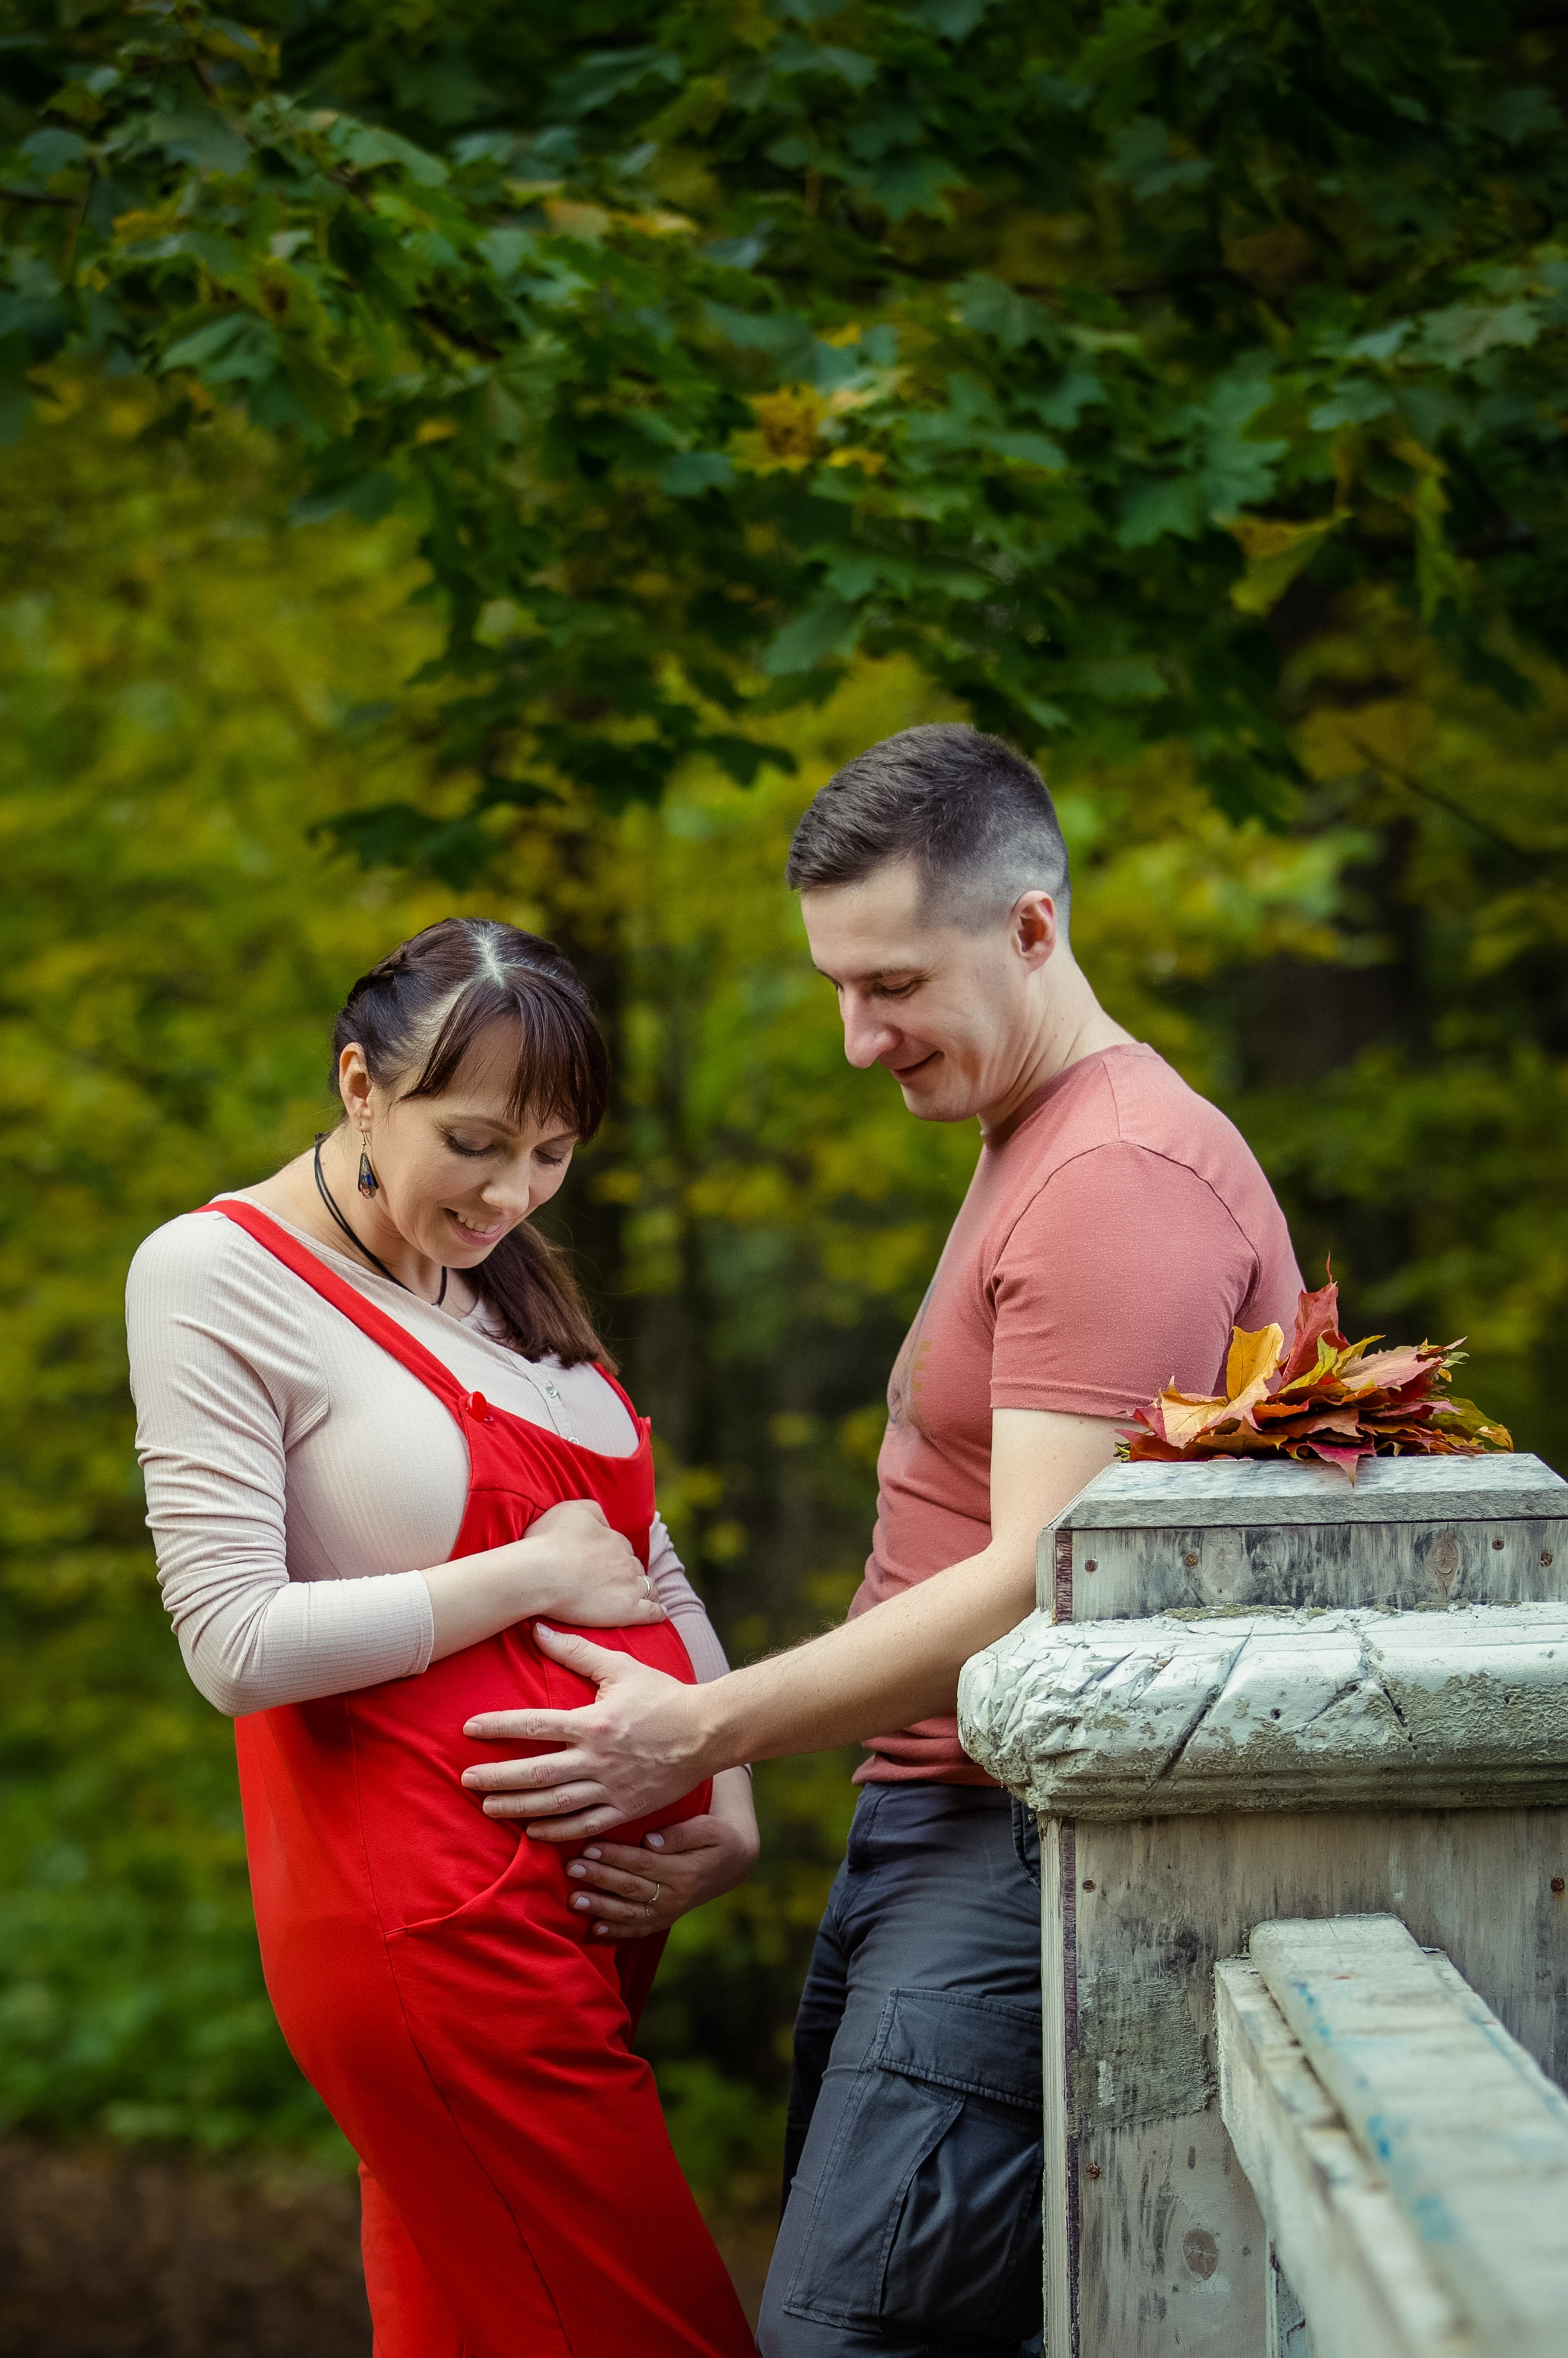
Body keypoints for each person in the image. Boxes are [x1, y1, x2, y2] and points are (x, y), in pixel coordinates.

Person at [458, 726, 1305, 2358]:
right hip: (937, 1837)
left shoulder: (1114, 1175)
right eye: (839, 987)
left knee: (845, 2340)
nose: (860, 1039)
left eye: (895, 984)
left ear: (1034, 929)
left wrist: (695, 1730)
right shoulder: (1036, 1137)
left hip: (1006, 1857)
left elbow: (1036, 1590)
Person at [125, 918, 759, 2358]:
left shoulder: (507, 1284)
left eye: (552, 1154)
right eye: (474, 1142)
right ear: (361, 1084)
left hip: (590, 1907)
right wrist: (512, 1578)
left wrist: (727, 1784)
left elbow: (639, 1553)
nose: (513, 1191)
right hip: (435, 1922)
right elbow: (231, 1641)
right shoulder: (214, 1274)